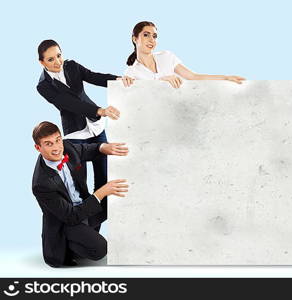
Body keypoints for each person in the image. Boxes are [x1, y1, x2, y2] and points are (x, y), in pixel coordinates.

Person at [36, 40, 134, 217]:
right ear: (41, 62)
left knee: (104, 180)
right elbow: (68, 104)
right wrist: (100, 110)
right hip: (76, 135)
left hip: (96, 128)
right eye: (50, 60)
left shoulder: (71, 66)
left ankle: (94, 231)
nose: (57, 62)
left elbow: (94, 76)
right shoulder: (43, 86)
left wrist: (119, 80)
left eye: (59, 56)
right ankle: (86, 231)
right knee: (80, 187)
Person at [31, 121, 129, 267]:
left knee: (116, 200)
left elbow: (86, 149)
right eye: (49, 144)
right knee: (100, 249)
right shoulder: (41, 184)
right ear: (38, 148)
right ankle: (70, 248)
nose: (57, 147)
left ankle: (86, 231)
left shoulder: (67, 148)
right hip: (67, 223)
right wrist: (101, 192)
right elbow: (71, 216)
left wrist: (103, 147)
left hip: (83, 208)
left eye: (58, 140)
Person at [124, 21, 246, 88]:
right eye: (146, 35)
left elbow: (193, 77)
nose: (152, 40)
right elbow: (141, 101)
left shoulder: (166, 56)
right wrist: (161, 82)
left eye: (154, 36)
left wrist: (225, 78)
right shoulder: (131, 73)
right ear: (135, 39)